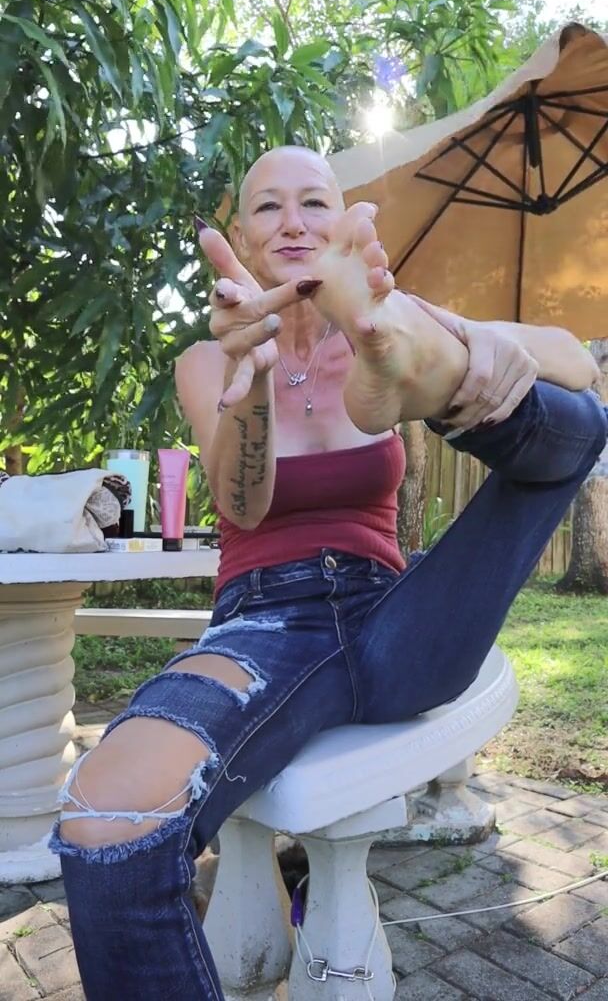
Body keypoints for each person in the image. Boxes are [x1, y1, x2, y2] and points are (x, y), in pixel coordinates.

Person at [50, 146, 607, 1000]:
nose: (293, 221)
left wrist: (453, 340)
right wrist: (251, 376)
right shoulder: (206, 362)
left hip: (398, 619)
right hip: (264, 623)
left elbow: (577, 363)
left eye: (314, 201)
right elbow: (242, 506)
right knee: (106, 830)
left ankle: (439, 379)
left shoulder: (391, 320)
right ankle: (444, 383)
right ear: (242, 236)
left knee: (578, 423)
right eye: (268, 206)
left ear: (344, 225)